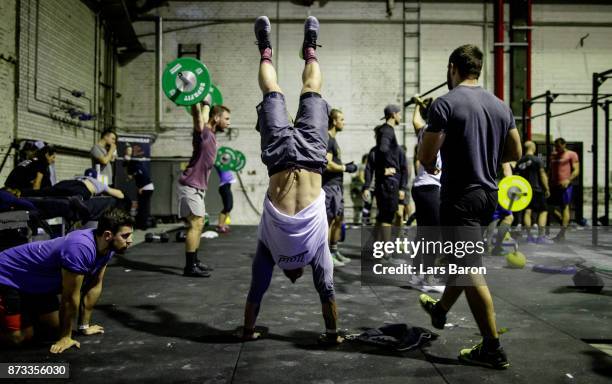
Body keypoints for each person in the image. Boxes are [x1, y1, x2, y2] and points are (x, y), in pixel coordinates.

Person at [417, 44, 521, 369]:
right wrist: (486, 158)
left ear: (453, 68)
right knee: (463, 263)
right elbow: (515, 151)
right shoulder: (501, 106)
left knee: (470, 269)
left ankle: (492, 347)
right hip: (488, 196)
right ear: (478, 69)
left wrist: (434, 160)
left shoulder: (445, 104)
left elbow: (425, 156)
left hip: (460, 196)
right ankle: (441, 309)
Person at [241, 15, 341, 345]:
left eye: (293, 276)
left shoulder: (278, 252)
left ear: (289, 272)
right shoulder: (302, 251)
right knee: (294, 90)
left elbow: (260, 289)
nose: (297, 278)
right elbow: (324, 290)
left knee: (280, 91)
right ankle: (303, 49)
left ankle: (272, 49)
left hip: (290, 157)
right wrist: (332, 334)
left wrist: (248, 330)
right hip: (305, 158)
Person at [0, 208, 134, 353]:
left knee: (54, 326)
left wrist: (84, 326)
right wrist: (65, 337)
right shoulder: (80, 247)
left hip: (35, 284)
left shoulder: (108, 248)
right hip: (8, 275)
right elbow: (69, 297)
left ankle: (21, 313)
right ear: (108, 235)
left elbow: (94, 285)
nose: (130, 240)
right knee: (19, 337)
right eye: (125, 236)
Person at [178, 97, 231, 277]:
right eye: (227, 118)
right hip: (190, 185)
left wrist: (207, 103)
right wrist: (195, 99)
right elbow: (198, 117)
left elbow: (204, 115)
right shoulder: (204, 133)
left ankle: (194, 261)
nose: (228, 123)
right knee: (196, 223)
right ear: (216, 118)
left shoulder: (211, 134)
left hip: (197, 187)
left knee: (198, 225)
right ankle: (189, 267)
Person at [409, 100, 443, 293]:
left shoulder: (423, 130)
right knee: (433, 235)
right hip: (430, 188)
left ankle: (416, 275)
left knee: (423, 234)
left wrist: (416, 104)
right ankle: (428, 279)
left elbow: (415, 120)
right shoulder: (438, 132)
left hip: (420, 187)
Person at [322, 108, 356, 267]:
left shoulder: (334, 140)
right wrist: (345, 168)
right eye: (341, 119)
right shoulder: (328, 139)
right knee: (329, 221)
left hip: (337, 186)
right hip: (330, 186)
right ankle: (326, 256)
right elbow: (327, 164)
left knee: (338, 219)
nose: (343, 122)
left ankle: (334, 251)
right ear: (334, 121)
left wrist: (345, 166)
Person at [516, 141, 552, 243]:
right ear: (533, 148)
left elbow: (516, 177)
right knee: (543, 211)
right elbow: (542, 175)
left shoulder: (520, 161)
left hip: (524, 190)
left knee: (527, 211)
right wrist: (547, 188)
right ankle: (541, 237)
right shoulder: (537, 160)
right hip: (537, 190)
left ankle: (529, 237)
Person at [549, 137, 579, 242]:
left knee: (565, 207)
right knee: (549, 207)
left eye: (559, 146)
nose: (557, 148)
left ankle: (562, 233)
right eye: (556, 146)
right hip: (554, 185)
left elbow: (576, 170)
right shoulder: (553, 155)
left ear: (564, 145)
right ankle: (564, 222)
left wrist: (568, 180)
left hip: (565, 186)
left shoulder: (571, 154)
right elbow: (550, 170)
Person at [123, 145, 155, 230]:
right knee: (142, 206)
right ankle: (142, 224)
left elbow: (142, 174)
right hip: (146, 187)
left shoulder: (135, 163)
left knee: (143, 207)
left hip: (146, 187)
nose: (128, 154)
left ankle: (143, 225)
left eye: (129, 152)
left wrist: (141, 187)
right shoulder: (130, 163)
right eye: (127, 152)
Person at [215, 166, 236, 234]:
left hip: (227, 187)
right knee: (227, 207)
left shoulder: (227, 165)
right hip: (224, 187)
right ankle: (220, 225)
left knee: (229, 207)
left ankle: (223, 224)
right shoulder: (220, 164)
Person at [349, 154, 368, 224]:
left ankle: (357, 221)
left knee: (357, 207)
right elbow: (361, 177)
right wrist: (367, 185)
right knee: (361, 206)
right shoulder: (363, 166)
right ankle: (360, 221)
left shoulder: (359, 165)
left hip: (355, 188)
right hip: (360, 189)